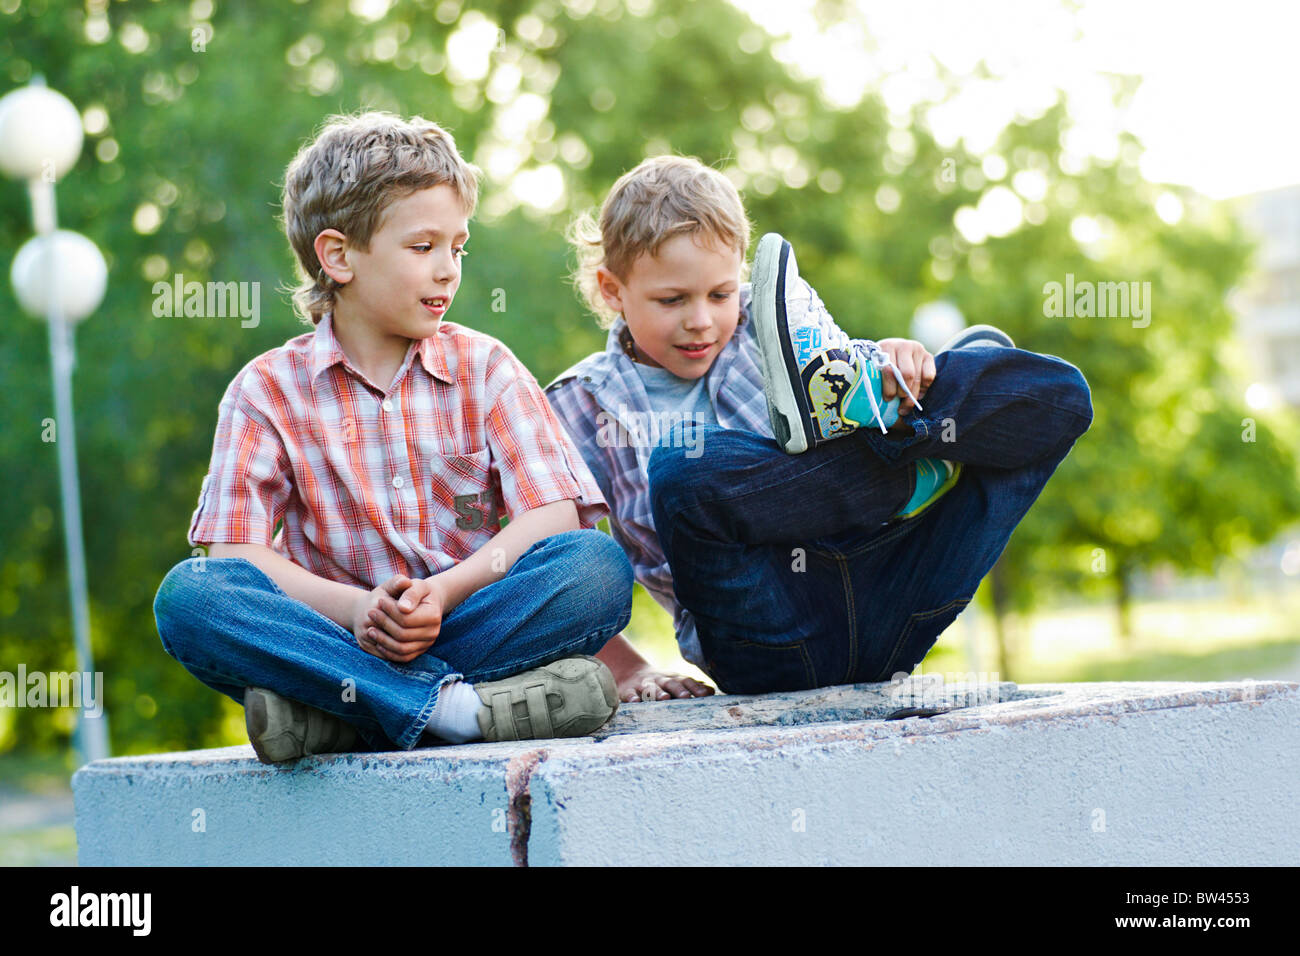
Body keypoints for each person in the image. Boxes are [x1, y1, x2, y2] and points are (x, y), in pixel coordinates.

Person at [153, 112, 633, 763]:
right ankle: (457, 711)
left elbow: (551, 515)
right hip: (338, 638)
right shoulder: (266, 390)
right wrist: (358, 611)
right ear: (339, 255)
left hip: (472, 621)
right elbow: (236, 554)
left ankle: (349, 717)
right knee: (192, 597)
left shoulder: (486, 366)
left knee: (594, 567)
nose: (447, 270)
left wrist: (441, 594)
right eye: (422, 247)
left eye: (457, 248)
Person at [545, 155, 1093, 697]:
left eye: (720, 294)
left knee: (1049, 391)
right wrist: (629, 668)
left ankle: (894, 421)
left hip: (893, 589)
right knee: (681, 465)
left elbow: (1038, 404)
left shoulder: (772, 328)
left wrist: (891, 366)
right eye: (672, 300)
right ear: (613, 290)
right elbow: (562, 568)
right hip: (766, 636)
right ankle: (910, 472)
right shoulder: (578, 406)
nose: (701, 320)